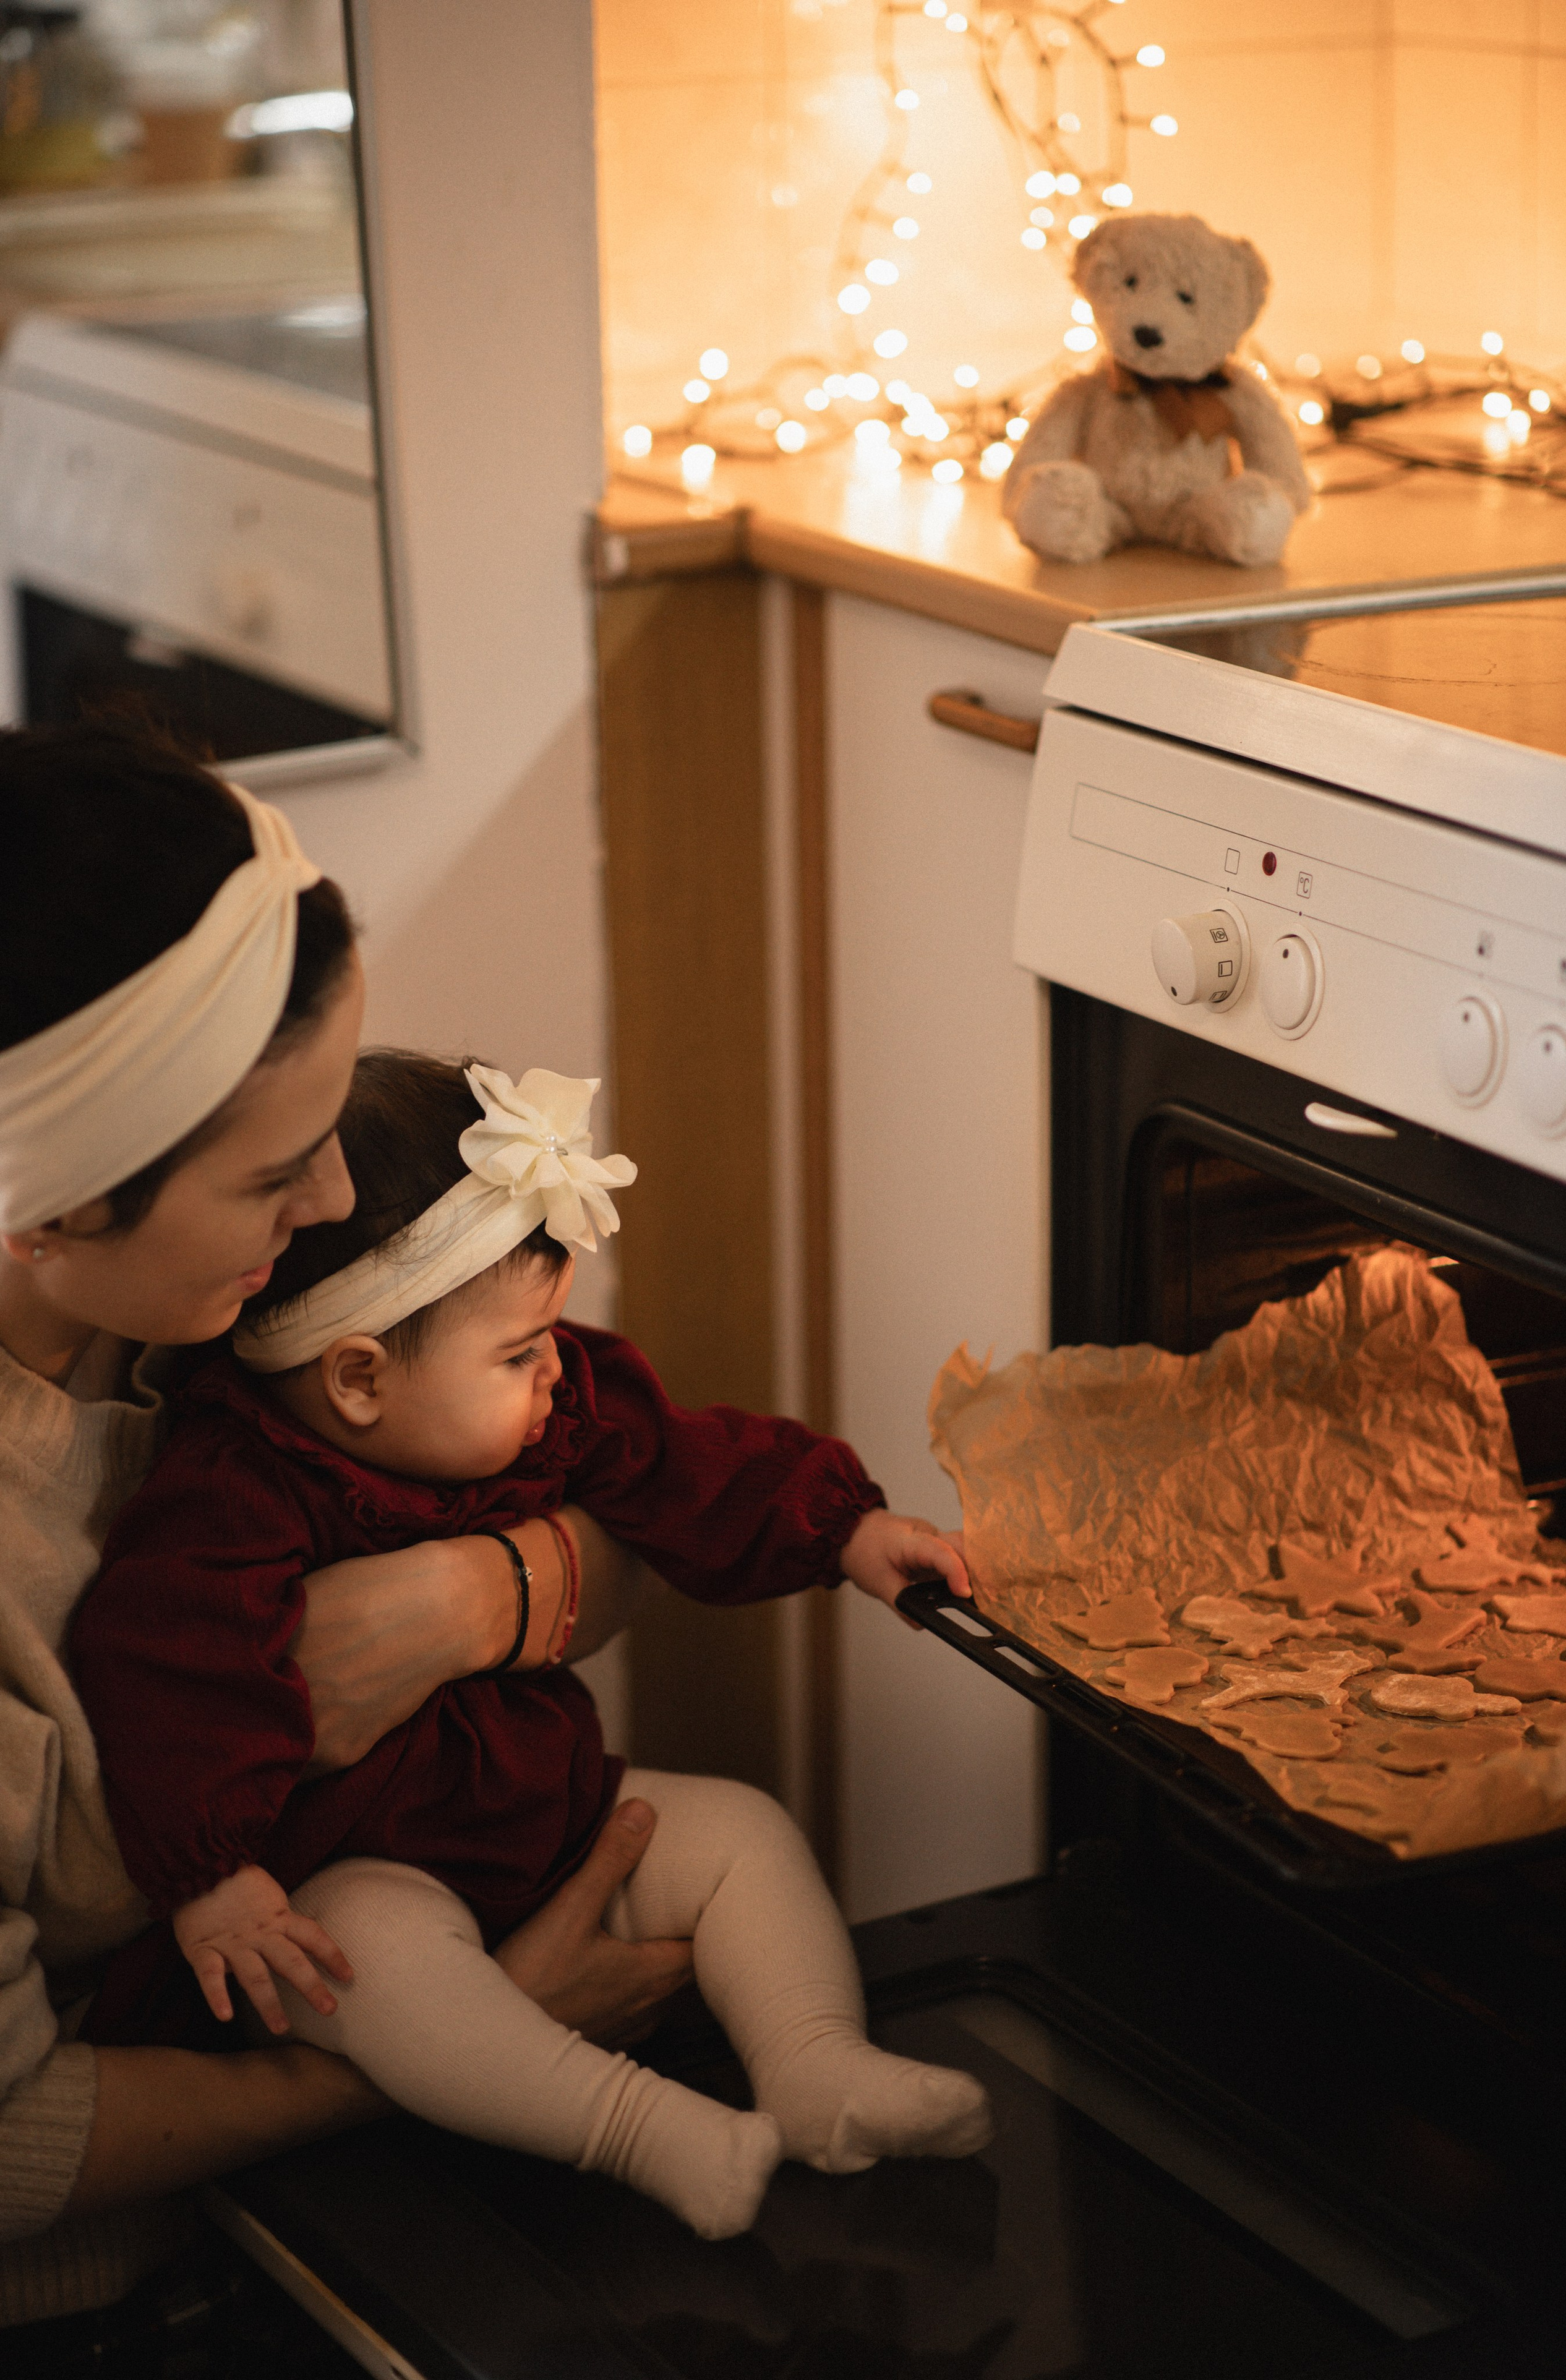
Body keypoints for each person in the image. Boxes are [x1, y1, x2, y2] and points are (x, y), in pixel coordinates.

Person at [0, 724, 694, 2345]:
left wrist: (484, 1591)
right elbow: (10, 2138)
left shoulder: (195, 1300)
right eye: (268, 1178)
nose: (331, 1206)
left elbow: (626, 1492)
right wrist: (466, 2041)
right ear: (43, 1212)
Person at [74, 1050, 991, 2241]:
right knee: (373, 1961)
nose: (559, 1367)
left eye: (551, 1333)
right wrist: (214, 1878)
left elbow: (682, 1461)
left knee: (737, 1833)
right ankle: (641, 2129)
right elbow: (166, 1676)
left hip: (541, 1814)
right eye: (519, 1352)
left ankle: (819, 2067)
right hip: (359, 1865)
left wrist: (843, 1529)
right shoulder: (229, 1496)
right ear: (357, 1379)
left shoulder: (546, 1396)